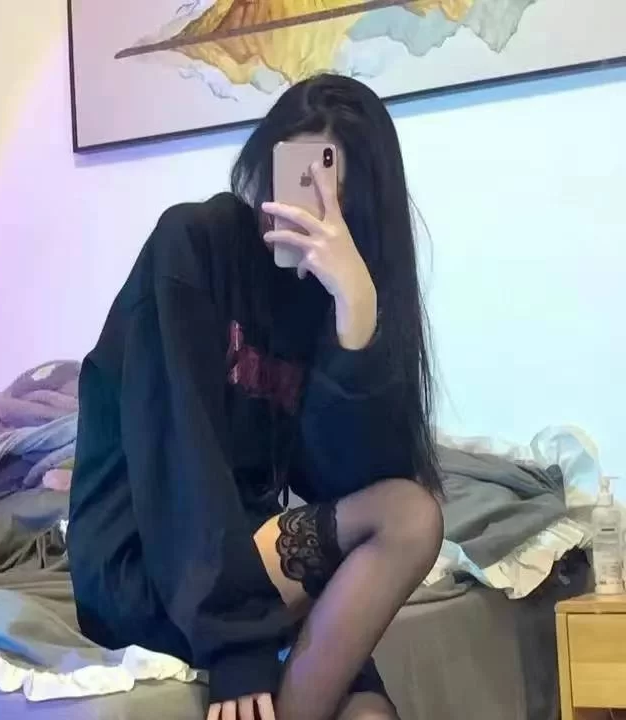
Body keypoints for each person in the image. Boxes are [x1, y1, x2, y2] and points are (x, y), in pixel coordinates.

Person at [67, 74, 444, 720]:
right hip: (147, 560)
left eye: (334, 188)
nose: (306, 204)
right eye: (297, 174)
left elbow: (347, 483)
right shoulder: (194, 244)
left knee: (369, 715)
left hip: (247, 552)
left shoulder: (327, 297)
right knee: (410, 517)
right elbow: (179, 459)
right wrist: (236, 647)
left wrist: (356, 316)